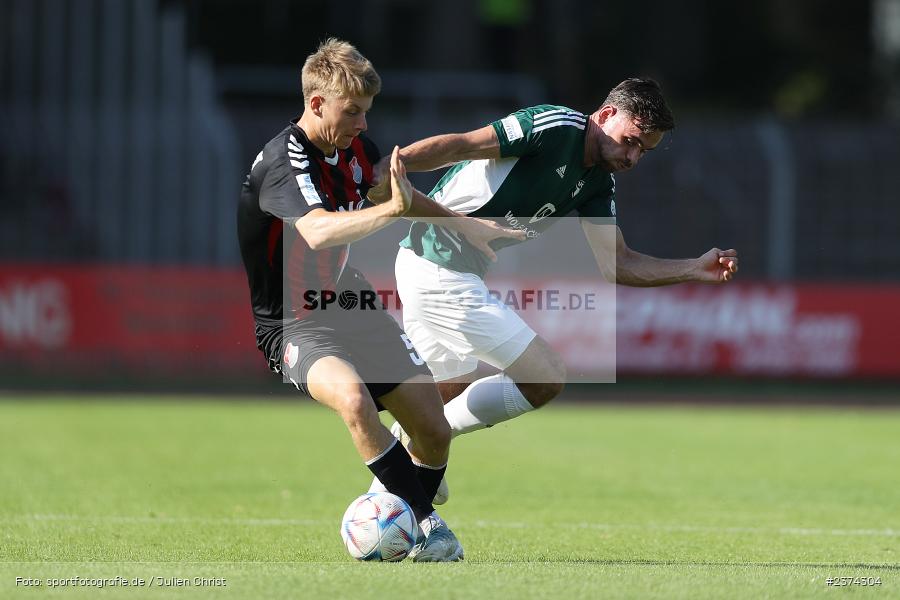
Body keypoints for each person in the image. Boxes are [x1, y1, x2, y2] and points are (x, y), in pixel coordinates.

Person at [369, 78, 739, 503]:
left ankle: (394, 483)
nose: (633, 156)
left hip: (445, 268)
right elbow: (463, 145)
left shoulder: (599, 183)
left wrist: (694, 268)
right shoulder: (552, 126)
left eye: (644, 152)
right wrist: (393, 164)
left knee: (445, 391)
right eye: (630, 142)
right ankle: (419, 445)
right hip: (436, 264)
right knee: (544, 376)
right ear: (604, 116)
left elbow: (617, 263)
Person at [236, 38, 520, 561]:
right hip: (293, 321)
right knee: (352, 399)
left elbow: (398, 197)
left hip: (352, 303)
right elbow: (320, 232)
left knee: (434, 430)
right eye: (353, 112)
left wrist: (467, 227)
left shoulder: (355, 150)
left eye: (367, 112)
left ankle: (407, 513)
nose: (364, 124)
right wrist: (391, 212)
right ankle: (426, 524)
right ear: (317, 103)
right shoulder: (283, 162)